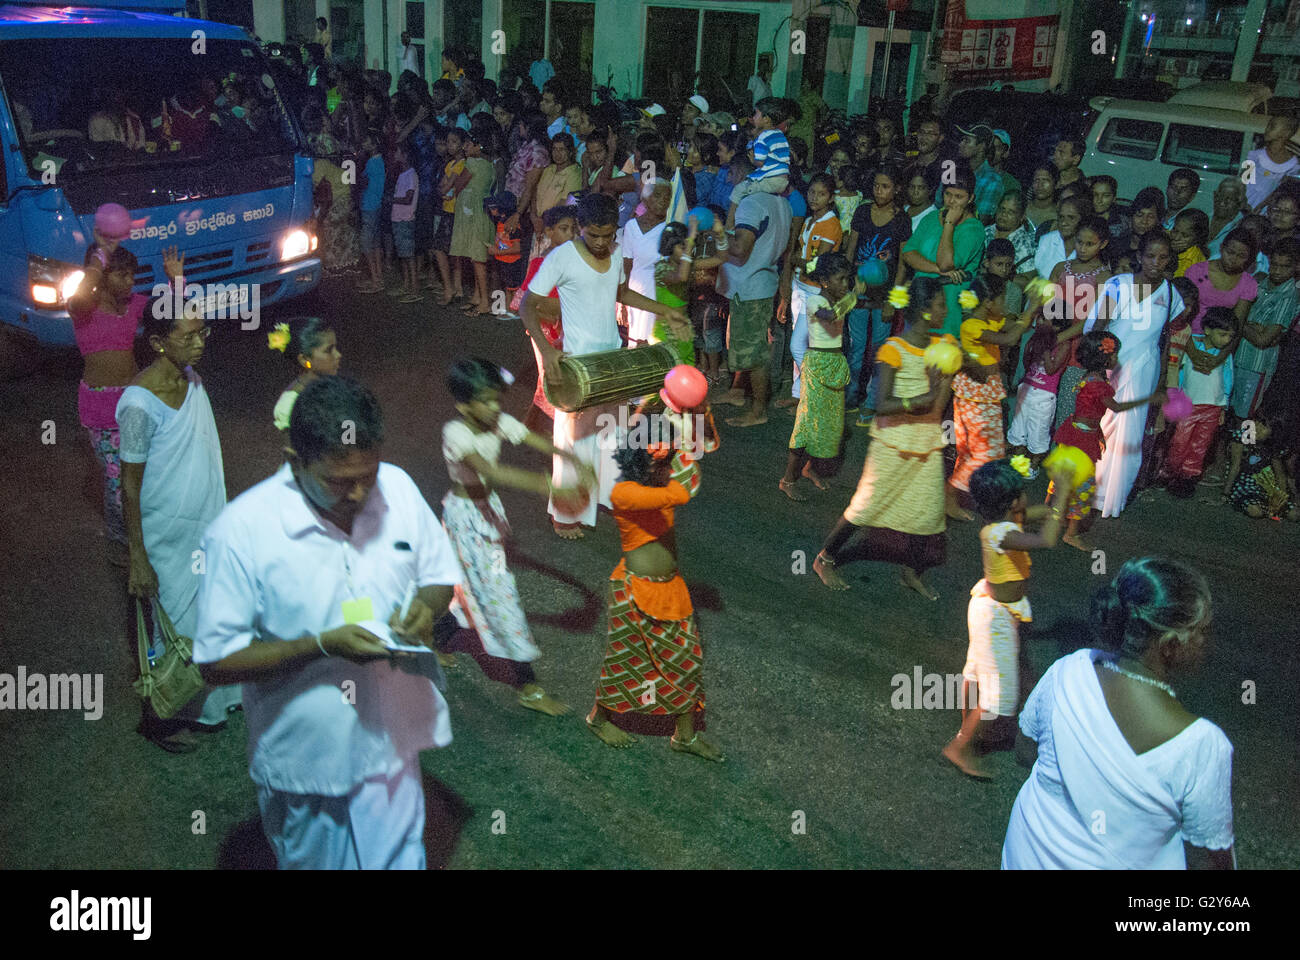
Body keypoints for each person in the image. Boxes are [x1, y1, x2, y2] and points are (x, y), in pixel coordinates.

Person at [193, 376, 459, 869]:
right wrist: (320, 645)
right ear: (295, 459)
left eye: (368, 474)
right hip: (309, 764)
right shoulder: (241, 532)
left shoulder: (396, 487)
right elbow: (215, 661)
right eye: (338, 481)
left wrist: (427, 605)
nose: (359, 493)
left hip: (393, 745)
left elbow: (439, 575)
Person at [1002, 557, 1234, 870]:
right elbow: (1209, 860)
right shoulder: (1201, 745)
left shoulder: (1069, 671)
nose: (1206, 642)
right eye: (1201, 631)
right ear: (1169, 645)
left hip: (1027, 854)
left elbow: (1025, 751)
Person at [521, 193, 689, 539]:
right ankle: (565, 516)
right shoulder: (561, 257)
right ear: (581, 227)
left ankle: (605, 497)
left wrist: (664, 310)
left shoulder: (613, 255)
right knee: (572, 443)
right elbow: (527, 305)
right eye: (593, 235)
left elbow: (621, 293)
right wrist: (547, 351)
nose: (600, 242)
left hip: (611, 359)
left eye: (607, 235)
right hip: (576, 365)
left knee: (610, 435)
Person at [120, 278, 240, 751]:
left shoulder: (193, 380)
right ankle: (161, 719)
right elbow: (129, 485)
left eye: (202, 333)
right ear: (157, 343)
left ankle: (210, 707)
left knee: (212, 618)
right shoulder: (137, 402)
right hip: (166, 537)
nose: (199, 343)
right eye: (187, 336)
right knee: (172, 630)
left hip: (207, 528)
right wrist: (137, 558)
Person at [440, 358, 593, 717]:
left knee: (469, 590)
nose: (495, 408)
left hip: (488, 515)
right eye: (485, 401)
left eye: (497, 399)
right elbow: (492, 471)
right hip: (467, 522)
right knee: (500, 596)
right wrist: (549, 486)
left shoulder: (498, 421)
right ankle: (529, 688)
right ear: (463, 405)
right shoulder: (456, 433)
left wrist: (573, 459)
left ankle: (436, 641)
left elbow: (534, 441)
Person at [588, 403, 722, 762]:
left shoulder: (659, 477)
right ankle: (599, 719)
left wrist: (689, 414)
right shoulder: (625, 493)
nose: (664, 456)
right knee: (625, 661)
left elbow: (696, 465)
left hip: (670, 588)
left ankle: (684, 735)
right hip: (634, 591)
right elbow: (682, 493)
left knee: (686, 662)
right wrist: (678, 437)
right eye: (658, 449)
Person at [812, 276, 956, 600]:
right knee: (866, 506)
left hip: (927, 441)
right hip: (892, 442)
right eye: (941, 305)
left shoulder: (941, 347)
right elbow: (881, 405)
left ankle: (911, 572)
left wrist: (942, 385)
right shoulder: (893, 349)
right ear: (924, 311)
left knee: (928, 509)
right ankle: (825, 558)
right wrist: (922, 398)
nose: (946, 310)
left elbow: (940, 401)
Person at [942, 458, 1074, 780]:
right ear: (1013, 501)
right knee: (1001, 692)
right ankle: (961, 745)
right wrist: (1066, 489)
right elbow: (1046, 539)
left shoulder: (1000, 520)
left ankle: (970, 728)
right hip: (996, 618)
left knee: (975, 672)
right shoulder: (1001, 534)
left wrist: (1058, 498)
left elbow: (1042, 513)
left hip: (989, 609)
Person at [67, 209, 177, 565]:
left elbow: (171, 311)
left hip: (133, 403)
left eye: (131, 275)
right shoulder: (84, 308)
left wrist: (176, 280)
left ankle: (137, 534)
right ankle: (123, 541)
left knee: (137, 474)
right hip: (100, 410)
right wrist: (99, 255)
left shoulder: (133, 306)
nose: (129, 282)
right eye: (121, 274)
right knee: (118, 485)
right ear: (100, 275)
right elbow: (81, 296)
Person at [1084, 234, 1185, 517]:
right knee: (1101, 424)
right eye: (1151, 256)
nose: (1156, 262)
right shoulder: (1119, 284)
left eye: (1163, 257)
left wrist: (1163, 378)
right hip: (1111, 363)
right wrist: (1096, 364)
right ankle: (1089, 491)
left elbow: (1163, 339)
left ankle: (1112, 497)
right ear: (1140, 256)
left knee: (1130, 432)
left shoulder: (1171, 293)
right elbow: (1099, 325)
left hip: (1144, 369)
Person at [948, 275, 1030, 520]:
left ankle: (974, 496)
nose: (1007, 302)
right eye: (1003, 298)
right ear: (988, 302)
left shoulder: (992, 320)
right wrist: (1033, 305)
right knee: (983, 452)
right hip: (976, 395)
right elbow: (1010, 338)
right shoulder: (972, 325)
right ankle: (950, 498)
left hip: (983, 393)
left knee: (976, 451)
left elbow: (1011, 328)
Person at [780, 254, 854, 501]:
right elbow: (829, 317)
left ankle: (808, 468)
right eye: (840, 279)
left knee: (828, 424)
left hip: (834, 362)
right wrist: (855, 295)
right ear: (823, 280)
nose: (845, 284)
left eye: (847, 279)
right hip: (817, 365)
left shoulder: (839, 299)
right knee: (805, 425)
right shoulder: (814, 302)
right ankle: (788, 479)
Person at [716, 188, 792, 428]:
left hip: (750, 286)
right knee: (745, 344)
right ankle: (737, 392)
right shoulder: (782, 203)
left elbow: (739, 248)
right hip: (758, 283)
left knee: (755, 351)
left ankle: (758, 410)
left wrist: (717, 234)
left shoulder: (752, 203)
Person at [844, 164, 912, 422]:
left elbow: (903, 263)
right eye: (876, 186)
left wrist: (893, 300)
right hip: (859, 293)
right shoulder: (862, 212)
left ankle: (872, 401)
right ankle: (852, 396)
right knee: (856, 349)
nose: (879, 191)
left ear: (896, 189)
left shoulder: (902, 219)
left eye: (885, 186)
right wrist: (848, 285)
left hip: (884, 296)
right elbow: (851, 250)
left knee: (878, 351)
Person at [779, 173, 843, 408]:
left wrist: (796, 260)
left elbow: (818, 264)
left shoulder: (831, 224)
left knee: (799, 345)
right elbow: (805, 260)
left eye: (821, 194)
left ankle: (819, 390)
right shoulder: (809, 220)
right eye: (812, 192)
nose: (814, 197)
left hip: (817, 292)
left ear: (831, 197)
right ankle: (799, 394)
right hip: (801, 287)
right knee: (803, 343)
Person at [901, 162, 985, 338]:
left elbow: (947, 264)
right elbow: (909, 253)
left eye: (958, 197)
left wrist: (949, 224)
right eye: (948, 194)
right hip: (921, 307)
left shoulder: (974, 229)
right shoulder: (931, 218)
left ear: (970, 199)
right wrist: (936, 269)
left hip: (948, 311)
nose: (952, 201)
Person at [513, 205, 576, 430]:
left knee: (555, 374)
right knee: (550, 374)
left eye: (573, 229)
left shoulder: (574, 261)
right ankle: (548, 425)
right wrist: (548, 311)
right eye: (564, 229)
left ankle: (536, 421)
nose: (571, 234)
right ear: (549, 232)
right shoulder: (540, 262)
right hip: (544, 329)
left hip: (564, 328)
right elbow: (519, 303)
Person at [1160, 309, 1235, 493]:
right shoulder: (1192, 345)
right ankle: (1170, 472)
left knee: (1201, 443)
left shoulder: (1224, 356)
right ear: (1208, 330)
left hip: (1213, 407)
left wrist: (1223, 406)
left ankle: (1188, 476)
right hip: (1189, 404)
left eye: (1230, 336)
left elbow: (1228, 379)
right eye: (1223, 334)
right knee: (1180, 440)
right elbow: (1180, 372)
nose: (1227, 340)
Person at [1231, 237, 1298, 419]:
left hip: (1256, 365)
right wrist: (1252, 327)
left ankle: (1243, 446)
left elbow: (1263, 340)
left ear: (1296, 268)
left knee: (1245, 417)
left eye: (1284, 267)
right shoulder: (1259, 282)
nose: (1276, 270)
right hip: (1236, 356)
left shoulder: (1288, 297)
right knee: (1226, 414)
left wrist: (1239, 321)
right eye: (1274, 264)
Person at [1007, 314, 1072, 474]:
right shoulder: (1038, 337)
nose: (1038, 321)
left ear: (1057, 323)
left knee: (1038, 434)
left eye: (1043, 319)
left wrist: (1045, 352)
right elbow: (1026, 360)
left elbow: (1051, 370)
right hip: (1027, 389)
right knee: (1018, 430)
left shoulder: (1064, 344)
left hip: (1044, 395)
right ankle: (1018, 464)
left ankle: (1032, 468)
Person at [449, 129, 496, 314]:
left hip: (472, 213)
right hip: (480, 211)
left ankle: (484, 301)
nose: (465, 147)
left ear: (479, 146)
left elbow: (459, 184)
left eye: (469, 144)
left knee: (477, 258)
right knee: (478, 256)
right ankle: (478, 295)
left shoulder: (472, 163)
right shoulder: (490, 165)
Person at [725, 97, 791, 229]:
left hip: (769, 180)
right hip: (782, 179)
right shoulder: (779, 135)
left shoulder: (763, 138)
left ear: (766, 119)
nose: (753, 117)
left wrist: (752, 160)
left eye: (756, 113)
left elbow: (759, 163)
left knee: (738, 190)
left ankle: (729, 227)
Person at [622, 178, 672, 347]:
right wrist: (621, 300)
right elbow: (626, 264)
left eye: (667, 197)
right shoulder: (631, 227)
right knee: (637, 343)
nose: (663, 201)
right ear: (645, 199)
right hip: (636, 292)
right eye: (658, 196)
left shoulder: (670, 228)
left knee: (656, 342)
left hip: (660, 291)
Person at [269, 318, 342, 431]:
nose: (338, 355)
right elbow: (293, 448)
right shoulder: (289, 407)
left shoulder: (334, 385)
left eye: (336, 348)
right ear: (304, 360)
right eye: (328, 350)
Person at [1222, 413, 1298, 520]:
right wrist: (1224, 495)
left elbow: (1280, 475)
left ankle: (1270, 510)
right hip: (1244, 484)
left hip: (1266, 484)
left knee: (1293, 514)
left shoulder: (1272, 446)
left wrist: (1281, 497)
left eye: (1264, 426)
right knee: (1255, 511)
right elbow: (1235, 466)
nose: (1257, 428)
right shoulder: (1242, 438)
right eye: (1257, 422)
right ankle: (1261, 509)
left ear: (1273, 433)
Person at [529, 132, 581, 259]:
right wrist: (534, 217)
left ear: (570, 152)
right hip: (539, 227)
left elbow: (565, 202)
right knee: (536, 267)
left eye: (562, 149)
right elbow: (535, 193)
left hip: (556, 229)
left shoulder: (574, 172)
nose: (557, 154)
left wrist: (544, 220)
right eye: (554, 149)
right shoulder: (548, 169)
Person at [389, 141, 423, 303]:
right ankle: (407, 285)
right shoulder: (404, 174)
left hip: (405, 218)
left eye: (397, 152)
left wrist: (391, 199)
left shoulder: (410, 174)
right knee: (404, 255)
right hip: (399, 218)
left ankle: (414, 288)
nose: (395, 155)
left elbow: (408, 198)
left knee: (408, 255)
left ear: (405, 155)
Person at [1246, 113, 1300, 213]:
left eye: (1272, 127)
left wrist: (1261, 206)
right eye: (1268, 126)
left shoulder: (1293, 164)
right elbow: (1244, 180)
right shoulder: (1255, 155)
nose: (1266, 130)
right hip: (1244, 204)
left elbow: (1281, 190)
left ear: (1286, 133)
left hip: (1263, 211)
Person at [955, 124, 1005, 224]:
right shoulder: (954, 170)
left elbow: (980, 221)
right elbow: (938, 205)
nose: (960, 144)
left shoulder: (992, 180)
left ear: (981, 146)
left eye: (967, 141)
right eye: (962, 140)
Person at [356, 133, 386, 294]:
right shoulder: (380, 162)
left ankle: (375, 280)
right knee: (375, 243)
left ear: (374, 144)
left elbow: (362, 182)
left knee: (367, 243)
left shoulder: (371, 163)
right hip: (376, 204)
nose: (364, 143)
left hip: (369, 204)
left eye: (366, 140)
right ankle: (378, 277)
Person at [985, 192, 1037, 280]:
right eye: (1002, 209)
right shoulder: (986, 231)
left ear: (1022, 217)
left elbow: (1026, 280)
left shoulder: (1026, 244)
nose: (1004, 214)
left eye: (1011, 212)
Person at [1170, 208, 1210, 278]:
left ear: (1197, 239)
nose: (1176, 238)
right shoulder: (1162, 239)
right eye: (1175, 231)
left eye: (1185, 235)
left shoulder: (1196, 264)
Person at [1090, 175, 1128, 240]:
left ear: (1114, 198)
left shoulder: (1123, 223)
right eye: (1095, 195)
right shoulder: (1083, 218)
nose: (1099, 200)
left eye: (1106, 196)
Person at [1023, 165, 1059, 232]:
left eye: (1045, 180)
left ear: (1056, 184)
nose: (1040, 185)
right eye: (1037, 180)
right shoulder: (1022, 209)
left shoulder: (1058, 215)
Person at [903, 166, 938, 231]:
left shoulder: (933, 216)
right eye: (912, 187)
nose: (915, 192)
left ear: (930, 190)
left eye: (921, 188)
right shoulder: (904, 209)